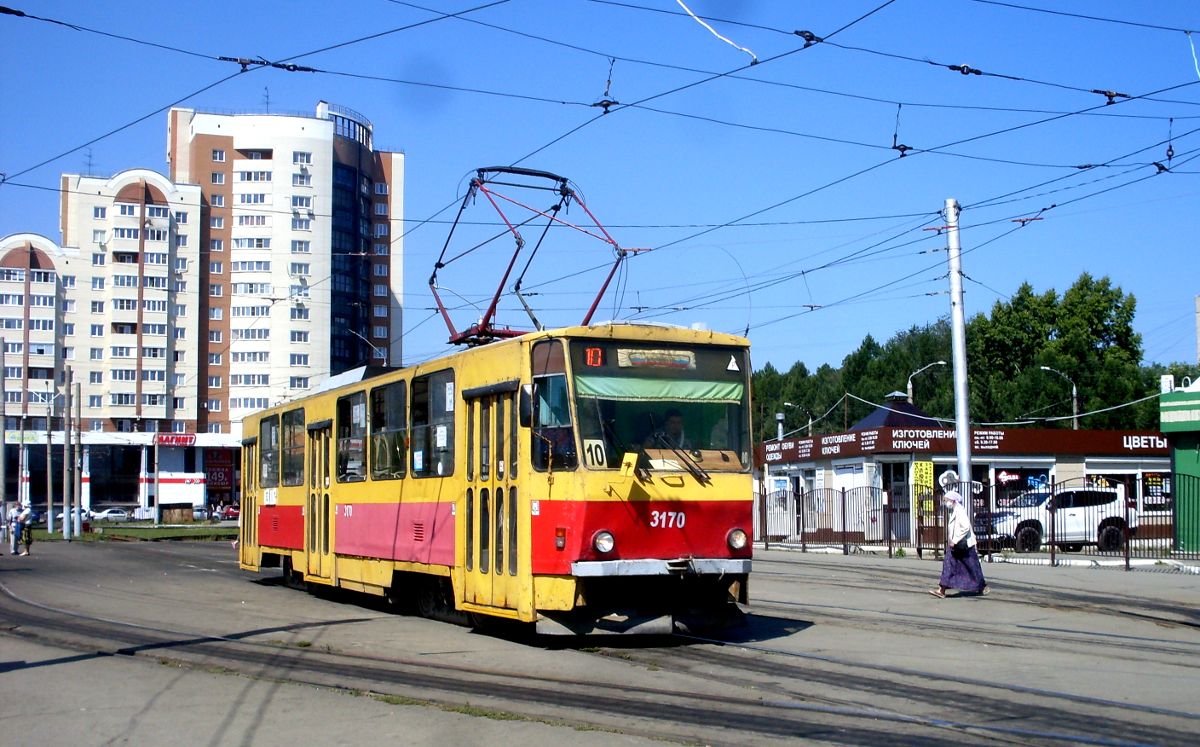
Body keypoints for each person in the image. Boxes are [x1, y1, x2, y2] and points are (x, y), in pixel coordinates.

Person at [929, 473, 989, 598]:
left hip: (964, 544)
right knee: (949, 564)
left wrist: (954, 540)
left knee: (972, 566)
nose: (945, 503)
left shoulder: (960, 511)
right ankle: (942, 589)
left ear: (953, 501)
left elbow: (966, 527)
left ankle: (981, 586)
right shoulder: (954, 511)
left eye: (946, 500)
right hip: (956, 545)